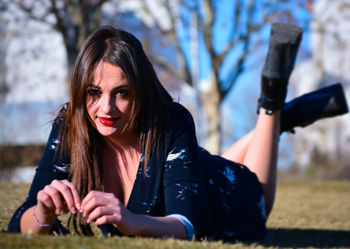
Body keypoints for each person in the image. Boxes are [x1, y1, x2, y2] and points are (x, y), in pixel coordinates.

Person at [8, 25, 348, 241]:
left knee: (257, 192)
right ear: (80, 91)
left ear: (141, 90)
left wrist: (131, 220)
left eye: (122, 93)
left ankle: (271, 104)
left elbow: (187, 224)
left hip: (224, 197)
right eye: (94, 93)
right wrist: (43, 213)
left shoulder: (171, 119)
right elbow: (19, 222)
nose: (105, 108)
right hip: (186, 167)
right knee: (201, 164)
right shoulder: (70, 126)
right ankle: (284, 119)